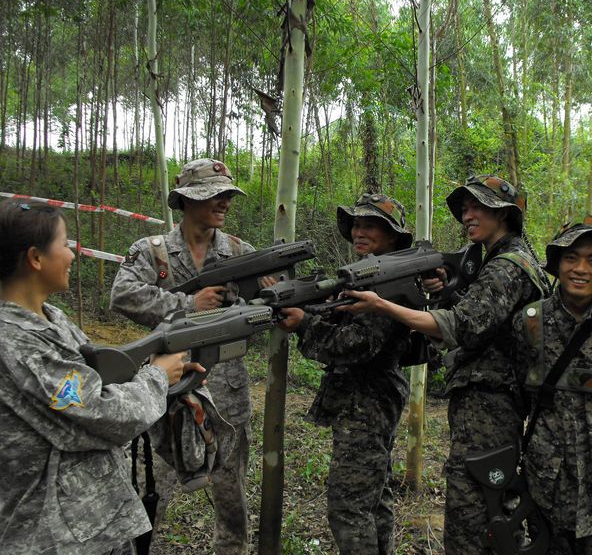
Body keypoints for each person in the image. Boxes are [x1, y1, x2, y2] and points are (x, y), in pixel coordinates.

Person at [340, 175, 546, 555]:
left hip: (491, 409)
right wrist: (447, 290)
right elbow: (483, 319)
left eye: (476, 206)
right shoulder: (499, 262)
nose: (467, 215)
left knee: (475, 516)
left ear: (503, 213)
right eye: (464, 208)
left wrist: (381, 305)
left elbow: (459, 326)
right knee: (493, 507)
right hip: (489, 405)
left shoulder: (507, 267)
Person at [0, 199, 195, 554]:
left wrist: (161, 367)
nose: (73, 255)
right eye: (64, 244)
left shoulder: (49, 319)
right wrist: (156, 377)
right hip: (50, 534)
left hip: (85, 523)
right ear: (36, 258)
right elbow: (100, 414)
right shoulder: (15, 343)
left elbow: (93, 378)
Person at [110, 158, 256, 554]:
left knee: (232, 502)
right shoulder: (151, 252)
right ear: (188, 200)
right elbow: (123, 296)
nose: (224, 202)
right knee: (146, 494)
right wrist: (189, 303)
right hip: (163, 392)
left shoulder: (242, 254)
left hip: (225, 396)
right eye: (215, 195)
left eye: (227, 195)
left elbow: (268, 307)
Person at [276, 193, 413, 554]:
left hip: (368, 401)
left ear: (393, 236)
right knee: (374, 497)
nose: (359, 231)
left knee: (349, 507)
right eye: (356, 224)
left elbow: (358, 344)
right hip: (367, 398)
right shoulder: (370, 275)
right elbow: (340, 319)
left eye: (370, 225)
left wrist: (305, 324)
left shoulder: (388, 281)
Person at [512, 220, 592, 554]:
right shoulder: (530, 322)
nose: (580, 269)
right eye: (571, 258)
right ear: (557, 264)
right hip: (546, 485)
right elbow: (518, 392)